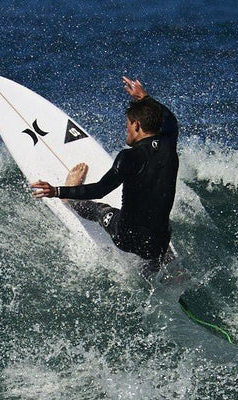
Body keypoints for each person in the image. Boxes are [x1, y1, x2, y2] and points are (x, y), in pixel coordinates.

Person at [31, 76, 179, 272]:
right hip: (159, 241)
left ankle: (69, 201)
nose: (126, 131)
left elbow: (99, 190)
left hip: (127, 239)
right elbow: (171, 120)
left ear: (136, 125)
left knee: (100, 210)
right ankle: (162, 260)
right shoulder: (169, 144)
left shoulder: (129, 157)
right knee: (157, 222)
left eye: (127, 125)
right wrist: (145, 98)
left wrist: (57, 191)